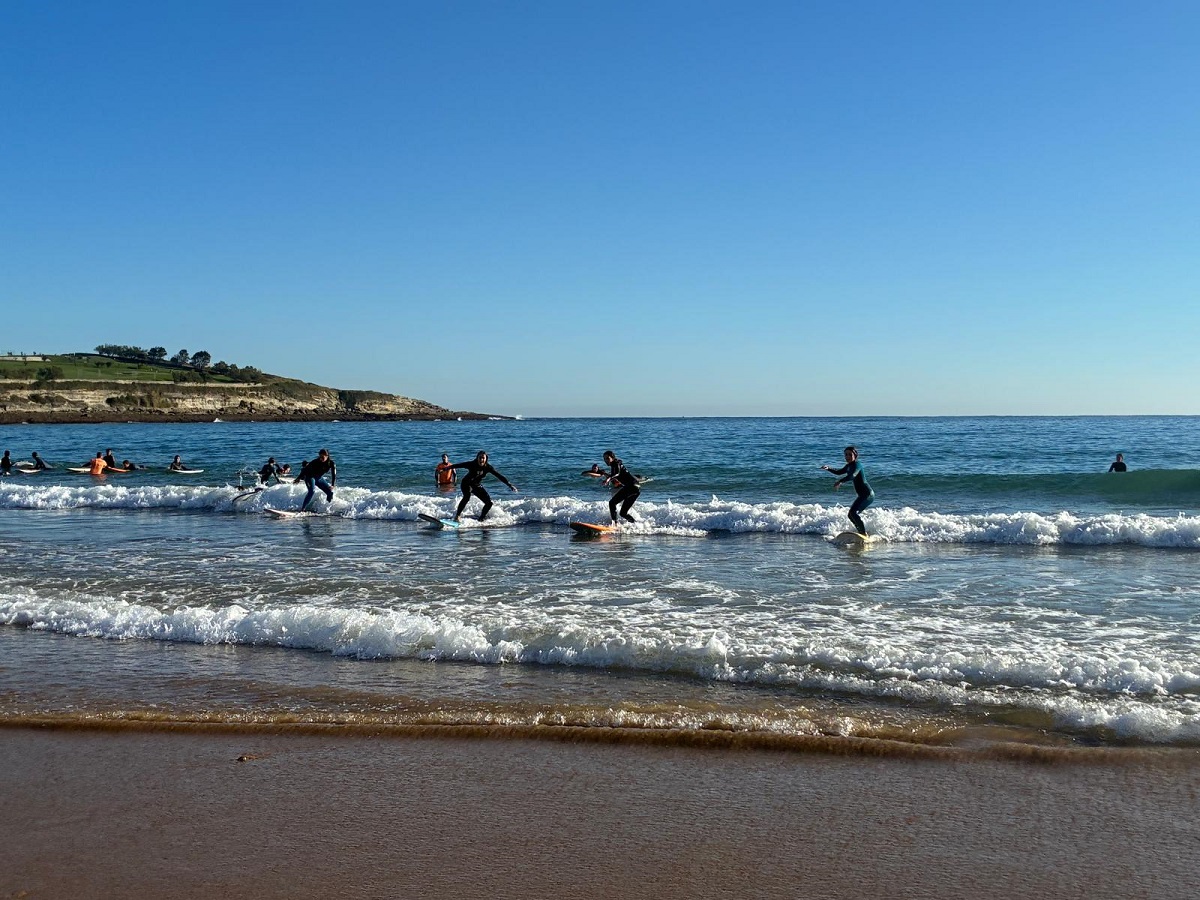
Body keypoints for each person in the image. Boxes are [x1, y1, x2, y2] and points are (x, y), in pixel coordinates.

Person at [821, 446, 875, 536]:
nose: (847, 456)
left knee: (853, 513)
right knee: (850, 515)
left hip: (867, 494)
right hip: (862, 495)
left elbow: (852, 476)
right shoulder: (848, 466)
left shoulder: (857, 465)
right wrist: (828, 468)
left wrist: (840, 481)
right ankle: (861, 532)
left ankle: (863, 533)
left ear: (855, 455)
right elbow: (839, 472)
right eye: (846, 454)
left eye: (850, 454)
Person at [448, 451, 517, 521]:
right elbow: (459, 465)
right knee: (466, 497)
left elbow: (499, 476)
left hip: (476, 485)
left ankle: (481, 518)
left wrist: (509, 485)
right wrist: (446, 468)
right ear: (477, 458)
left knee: (489, 503)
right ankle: (457, 516)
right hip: (466, 483)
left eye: (483, 458)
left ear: (486, 459)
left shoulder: (488, 467)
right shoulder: (472, 464)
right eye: (480, 458)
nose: (481, 460)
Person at [601, 450, 641, 524]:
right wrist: (606, 475)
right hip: (636, 488)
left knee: (612, 503)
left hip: (631, 486)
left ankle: (614, 524)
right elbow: (616, 475)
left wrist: (608, 479)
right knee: (623, 513)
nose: (606, 460)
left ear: (612, 458)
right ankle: (636, 525)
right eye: (604, 459)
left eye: (607, 458)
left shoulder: (615, 464)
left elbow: (617, 474)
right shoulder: (616, 464)